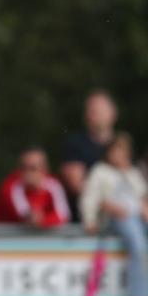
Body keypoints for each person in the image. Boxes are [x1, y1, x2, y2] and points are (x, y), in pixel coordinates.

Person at [80, 133, 148, 296]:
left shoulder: (132, 173)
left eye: (123, 151)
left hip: (135, 214)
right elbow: (90, 197)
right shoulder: (100, 172)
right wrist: (90, 219)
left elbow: (143, 198)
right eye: (115, 151)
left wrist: (144, 209)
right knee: (138, 246)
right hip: (116, 216)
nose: (119, 155)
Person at [61, 90, 117, 221]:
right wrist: (109, 204)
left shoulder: (121, 144)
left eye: (99, 110)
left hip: (120, 217)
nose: (93, 114)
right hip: (86, 221)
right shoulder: (75, 144)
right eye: (91, 110)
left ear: (113, 113)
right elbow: (76, 185)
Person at [0, 147, 70, 228]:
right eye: (23, 167)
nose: (27, 173)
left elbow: (63, 215)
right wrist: (40, 220)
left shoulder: (53, 186)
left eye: (33, 168)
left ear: (44, 169)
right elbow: (27, 218)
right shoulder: (10, 187)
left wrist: (43, 220)